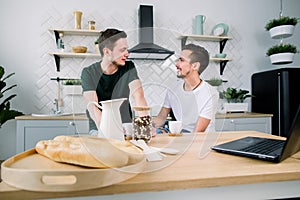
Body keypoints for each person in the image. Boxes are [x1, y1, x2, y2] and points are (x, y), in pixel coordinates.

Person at [81, 28, 148, 134]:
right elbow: (93, 107)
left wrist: (145, 126)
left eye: (127, 50)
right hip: (100, 127)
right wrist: (110, 130)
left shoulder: (128, 67)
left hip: (126, 126)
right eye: (122, 50)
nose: (127, 54)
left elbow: (138, 95)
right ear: (107, 51)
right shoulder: (88, 73)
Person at [153, 43, 219, 133]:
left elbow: (197, 132)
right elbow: (161, 119)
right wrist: (144, 127)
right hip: (182, 135)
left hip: (202, 141)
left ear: (195, 66)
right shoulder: (173, 89)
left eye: (181, 60)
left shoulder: (210, 93)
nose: (176, 64)